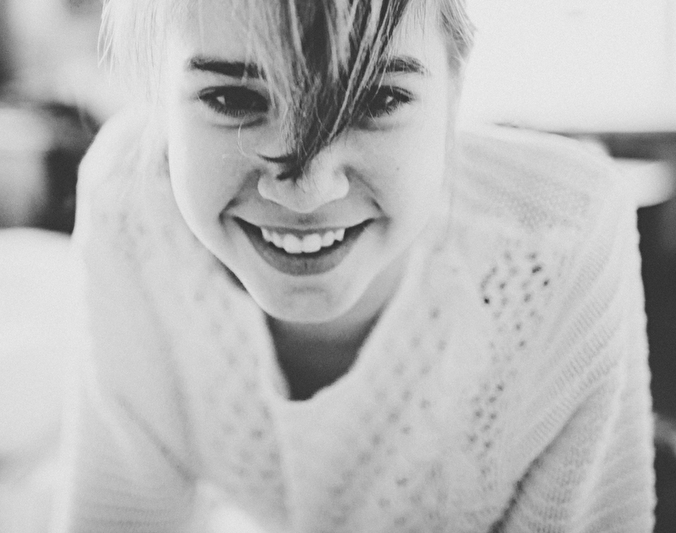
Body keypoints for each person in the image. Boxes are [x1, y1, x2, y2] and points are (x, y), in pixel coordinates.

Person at [52, 0, 656, 531]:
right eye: (234, 98)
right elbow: (120, 511)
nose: (307, 192)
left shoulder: (562, 236)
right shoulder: (128, 203)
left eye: (378, 98)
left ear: (455, 86)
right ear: (156, 93)